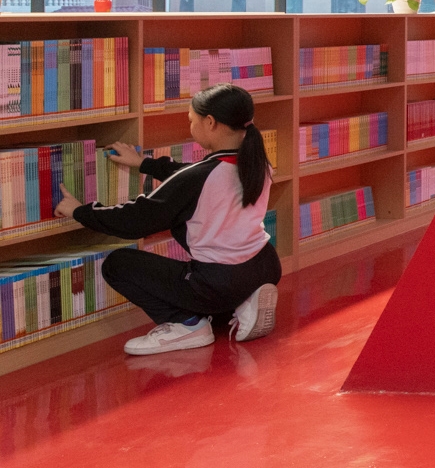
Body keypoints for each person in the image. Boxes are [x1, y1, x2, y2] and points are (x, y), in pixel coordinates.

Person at [58, 83, 283, 356]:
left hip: (218, 282)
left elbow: (135, 220)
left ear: (210, 122)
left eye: (191, 120)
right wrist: (145, 164)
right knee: (214, 276)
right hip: (264, 266)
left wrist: (79, 211)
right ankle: (245, 299)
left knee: (117, 265)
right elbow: (192, 175)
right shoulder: (258, 163)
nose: (190, 127)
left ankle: (187, 325)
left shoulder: (199, 178)